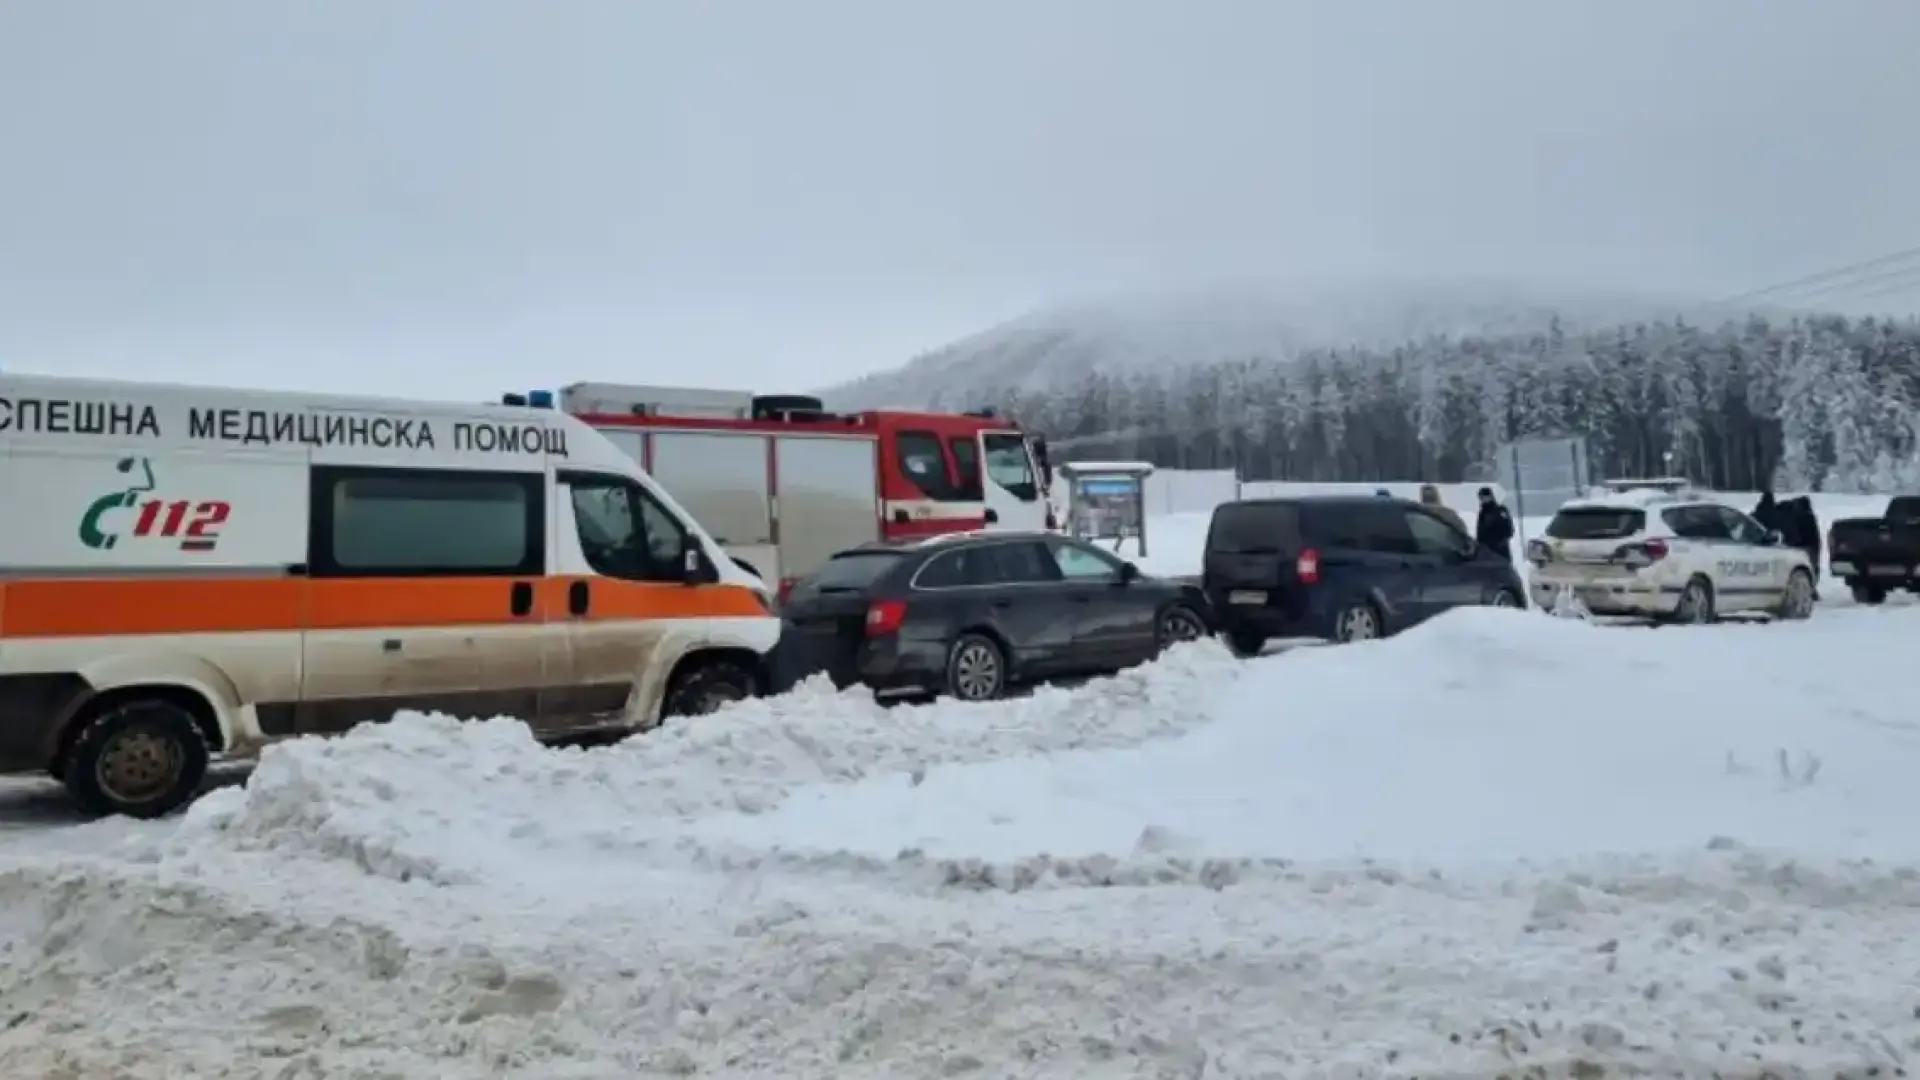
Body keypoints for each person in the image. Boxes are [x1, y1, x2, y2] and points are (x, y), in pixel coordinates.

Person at [1474, 486, 1515, 560]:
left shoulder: (1500, 511)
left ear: (1490, 497)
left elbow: (1509, 530)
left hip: (1500, 551)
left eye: (1484, 497)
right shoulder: (1482, 513)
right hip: (1486, 552)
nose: (1483, 499)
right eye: (1481, 497)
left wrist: (1500, 541)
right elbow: (1480, 532)